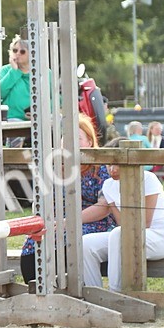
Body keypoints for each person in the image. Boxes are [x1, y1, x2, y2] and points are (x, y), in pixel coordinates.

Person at [21, 115, 116, 284]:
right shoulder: (54, 167)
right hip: (57, 221)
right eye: (67, 137)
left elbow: (104, 207)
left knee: (69, 236)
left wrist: (68, 221)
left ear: (89, 141)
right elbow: (41, 200)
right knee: (33, 242)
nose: (71, 142)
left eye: (78, 138)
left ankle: (70, 289)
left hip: (91, 221)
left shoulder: (99, 167)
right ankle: (37, 291)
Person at [82, 143, 164, 292]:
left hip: (160, 236)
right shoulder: (108, 185)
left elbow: (144, 223)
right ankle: (94, 295)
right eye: (109, 165)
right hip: (126, 236)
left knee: (118, 234)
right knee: (86, 243)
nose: (112, 170)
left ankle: (116, 293)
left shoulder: (148, 179)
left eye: (117, 165)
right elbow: (122, 222)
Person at [0, 35, 31, 120]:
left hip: (39, 120)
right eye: (15, 50)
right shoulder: (5, 70)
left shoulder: (43, 72)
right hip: (12, 118)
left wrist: (38, 112)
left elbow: (55, 98)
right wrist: (14, 71)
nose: (17, 53)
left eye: (22, 51)